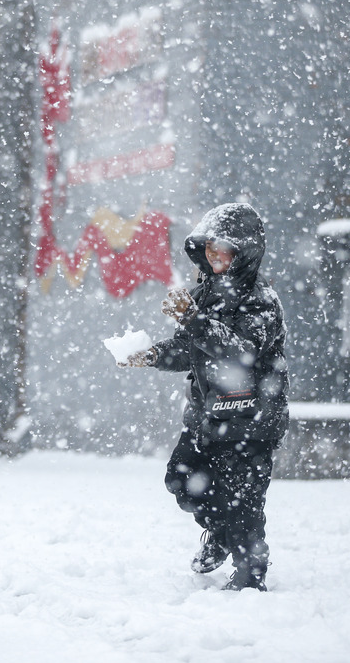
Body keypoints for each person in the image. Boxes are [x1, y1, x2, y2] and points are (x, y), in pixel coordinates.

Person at [119, 202, 288, 591]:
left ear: (245, 252)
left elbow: (241, 352)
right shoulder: (206, 292)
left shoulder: (261, 299)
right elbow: (189, 348)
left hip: (251, 420)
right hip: (207, 417)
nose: (213, 257)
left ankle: (249, 577)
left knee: (242, 503)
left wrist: (193, 319)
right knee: (182, 479)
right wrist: (152, 355)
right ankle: (220, 534)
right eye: (208, 249)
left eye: (222, 249)